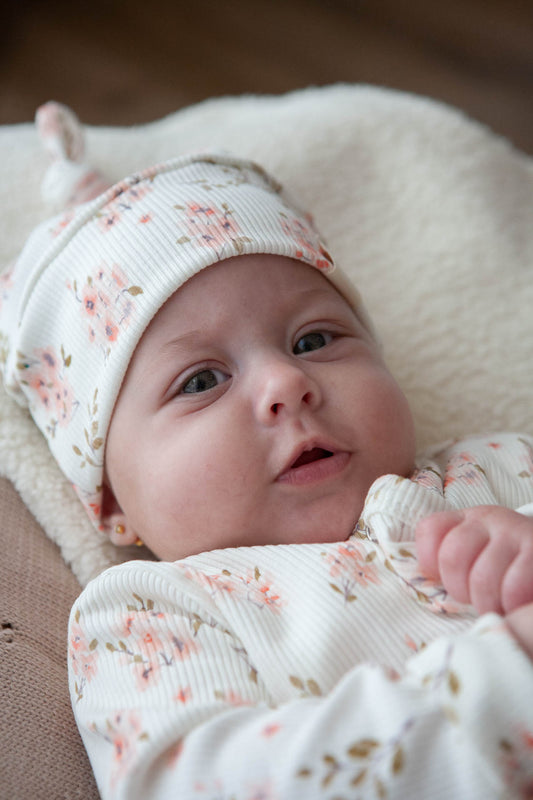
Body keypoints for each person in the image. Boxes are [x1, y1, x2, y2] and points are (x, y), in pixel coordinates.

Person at [1, 109, 532, 798]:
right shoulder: (148, 619)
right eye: (200, 381)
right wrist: (505, 675)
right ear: (110, 504)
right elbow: (206, 783)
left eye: (313, 339)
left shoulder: (498, 468)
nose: (287, 382)